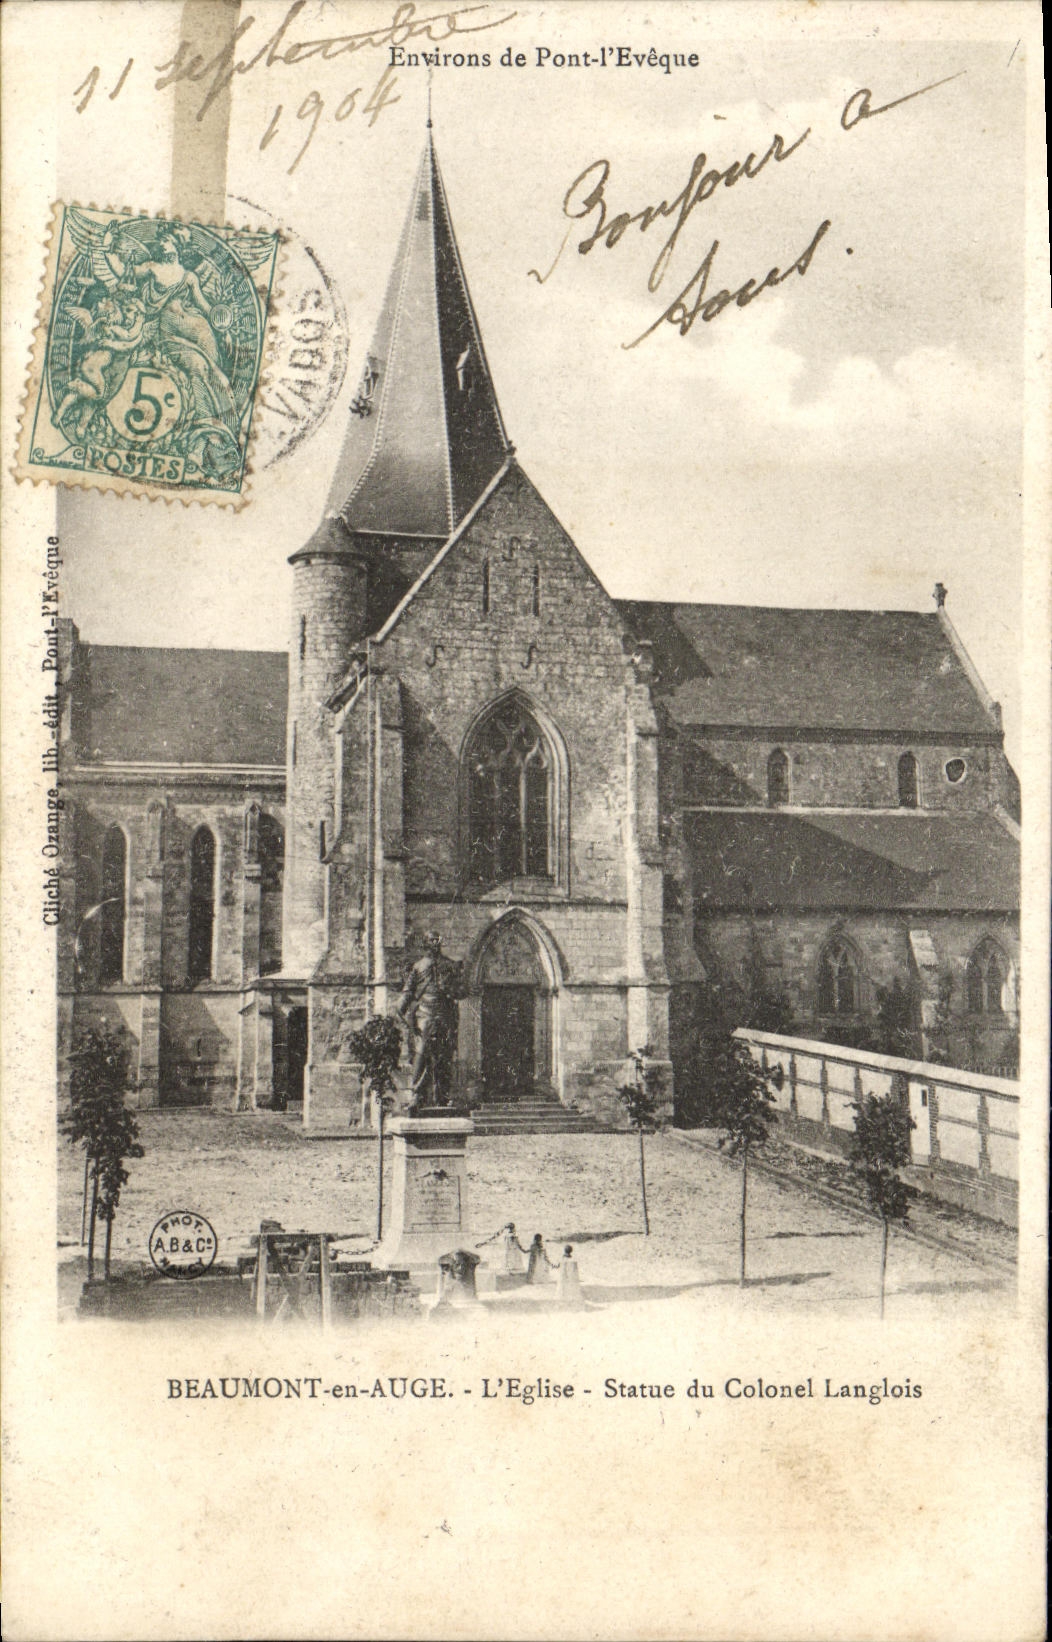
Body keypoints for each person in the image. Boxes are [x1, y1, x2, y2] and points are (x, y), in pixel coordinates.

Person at [396, 931, 461, 1111]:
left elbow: (462, 991)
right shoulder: (418, 967)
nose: (434, 944)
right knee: (421, 1054)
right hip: (424, 1015)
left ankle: (443, 1096)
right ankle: (417, 1095)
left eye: (436, 941)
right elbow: (408, 991)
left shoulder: (450, 965)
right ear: (426, 944)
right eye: (431, 941)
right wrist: (401, 1007)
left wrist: (451, 987)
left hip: (445, 1015)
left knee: (444, 1056)